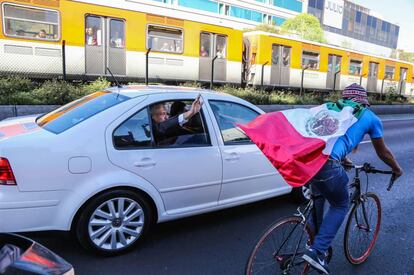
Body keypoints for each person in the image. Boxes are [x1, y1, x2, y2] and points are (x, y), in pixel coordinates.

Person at [302, 83, 403, 274]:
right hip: (327, 165)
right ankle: (317, 251)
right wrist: (396, 169)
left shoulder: (332, 109)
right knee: (341, 204)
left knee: (319, 199)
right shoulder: (370, 117)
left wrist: (344, 159)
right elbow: (383, 153)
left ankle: (311, 241)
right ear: (363, 101)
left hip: (309, 162)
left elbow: (331, 139)